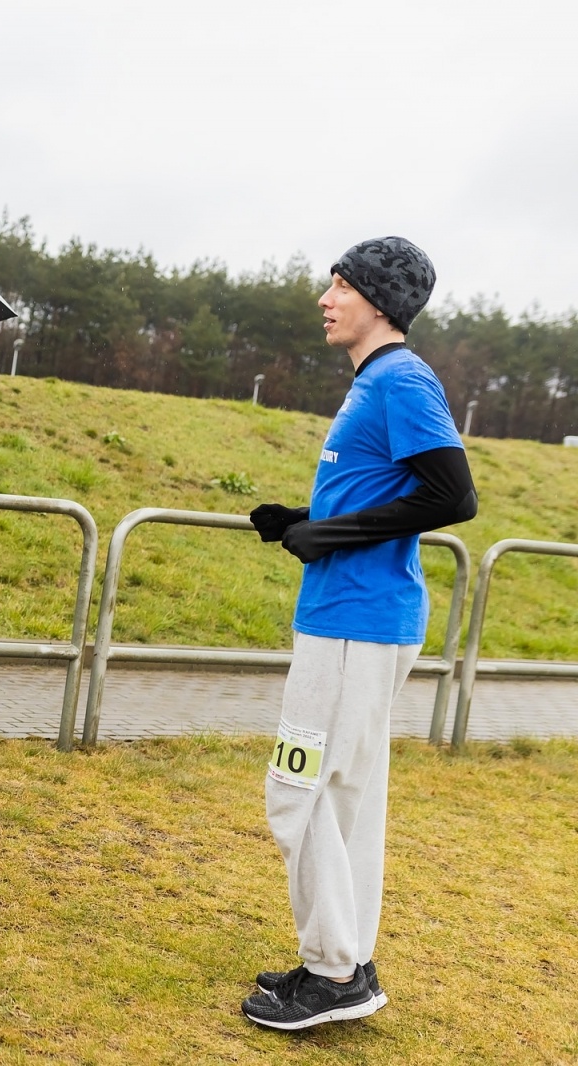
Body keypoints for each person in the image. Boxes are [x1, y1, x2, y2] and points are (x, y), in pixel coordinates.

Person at [242, 237, 476, 1030]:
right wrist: (304, 522)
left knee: (295, 791)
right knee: (344, 796)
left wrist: (334, 539)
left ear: (378, 301)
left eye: (339, 285)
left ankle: (333, 974)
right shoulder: (375, 381)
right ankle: (345, 959)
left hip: (355, 626)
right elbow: (387, 494)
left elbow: (453, 496)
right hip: (356, 620)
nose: (325, 297)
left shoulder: (402, 378)